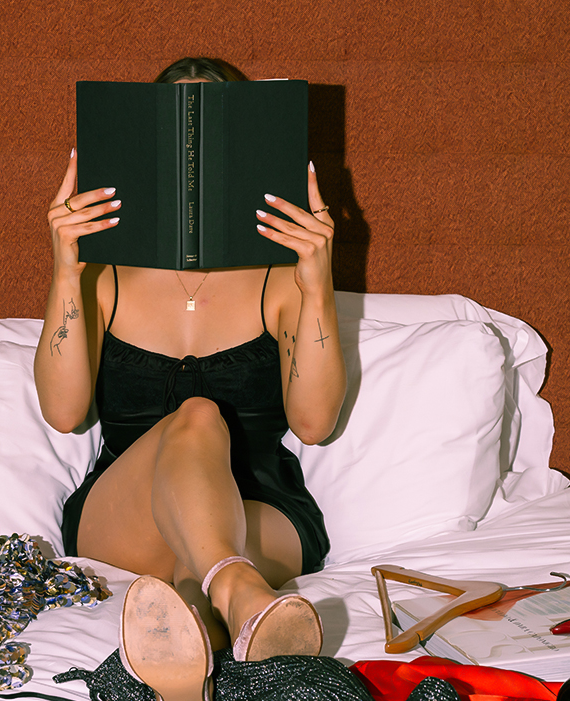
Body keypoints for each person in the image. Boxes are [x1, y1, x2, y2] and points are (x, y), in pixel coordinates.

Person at [34, 57, 346, 701]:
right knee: (198, 414)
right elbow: (63, 413)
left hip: (261, 504)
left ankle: (186, 654)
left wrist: (316, 283)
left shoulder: (281, 279)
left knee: (185, 581)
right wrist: (66, 269)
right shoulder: (102, 275)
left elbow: (314, 425)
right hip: (125, 511)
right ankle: (239, 593)